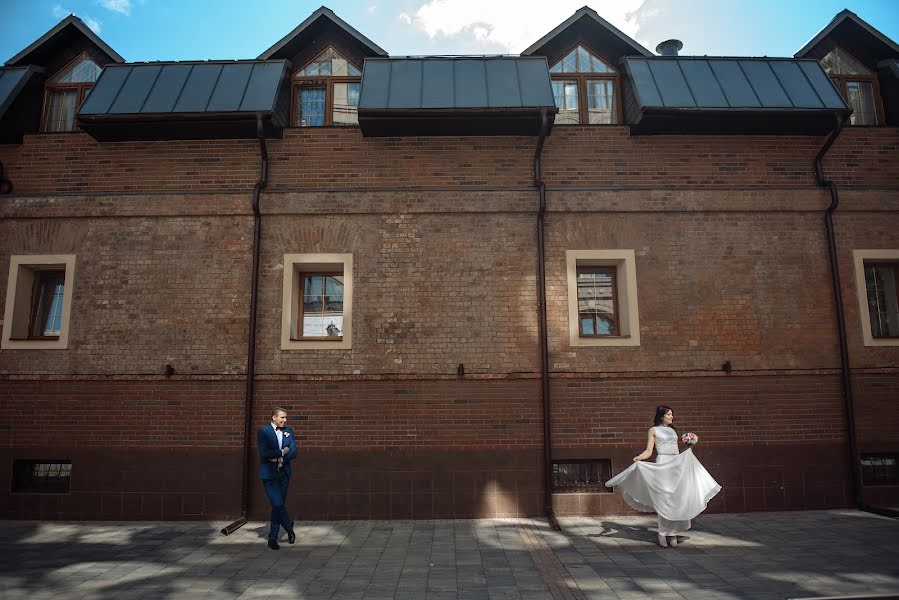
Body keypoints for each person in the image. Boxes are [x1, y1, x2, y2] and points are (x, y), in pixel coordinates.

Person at [605, 405, 721, 548]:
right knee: (664, 498)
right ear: (661, 416)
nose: (672, 417)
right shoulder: (653, 430)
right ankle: (663, 532)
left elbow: (676, 449)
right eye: (669, 415)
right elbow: (649, 450)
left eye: (672, 415)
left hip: (675, 464)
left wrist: (688, 447)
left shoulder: (672, 431)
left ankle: (672, 532)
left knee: (676, 498)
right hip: (663, 463)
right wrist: (640, 457)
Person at [258, 407, 298, 550]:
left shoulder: (289, 432)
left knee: (278, 506)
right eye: (282, 417)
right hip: (269, 475)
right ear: (274, 418)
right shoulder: (263, 432)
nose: (284, 420)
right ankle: (288, 526)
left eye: (286, 417)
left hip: (283, 474)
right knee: (277, 504)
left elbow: (293, 452)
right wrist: (282, 451)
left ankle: (272, 539)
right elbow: (265, 453)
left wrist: (278, 457)